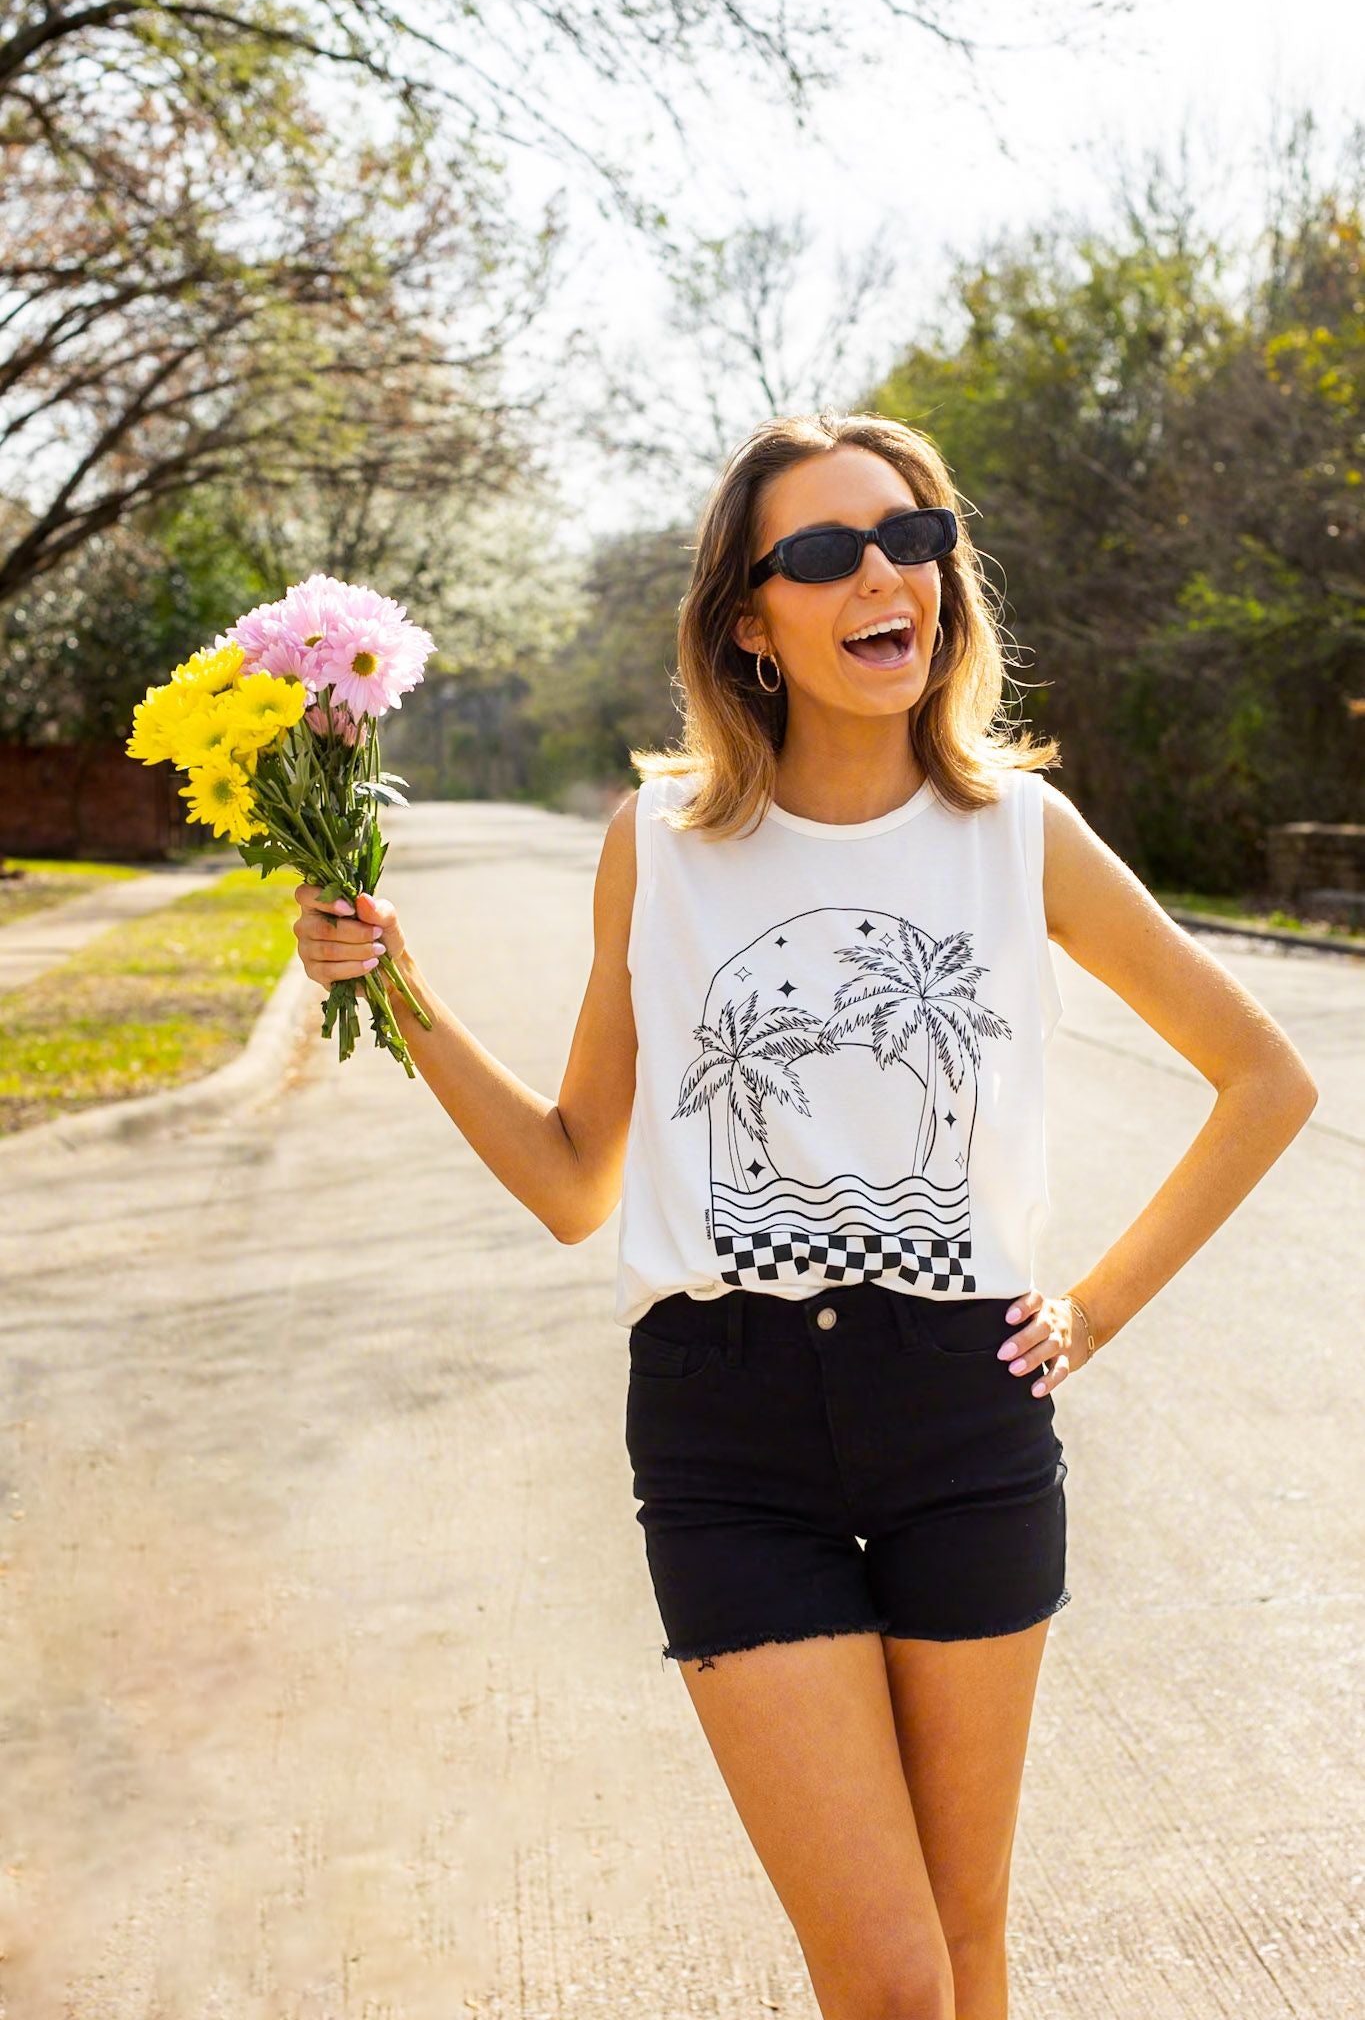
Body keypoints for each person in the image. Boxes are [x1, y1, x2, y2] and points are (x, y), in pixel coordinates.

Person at [290, 409, 1318, 2020]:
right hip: (726, 1438)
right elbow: (575, 1177)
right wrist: (395, 985)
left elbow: (1263, 1079)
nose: (878, 573)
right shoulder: (663, 846)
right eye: (823, 552)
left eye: (909, 538)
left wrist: (1092, 1310)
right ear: (747, 620)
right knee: (890, 1976)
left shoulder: (1017, 837)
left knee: (966, 1949)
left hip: (961, 1419)